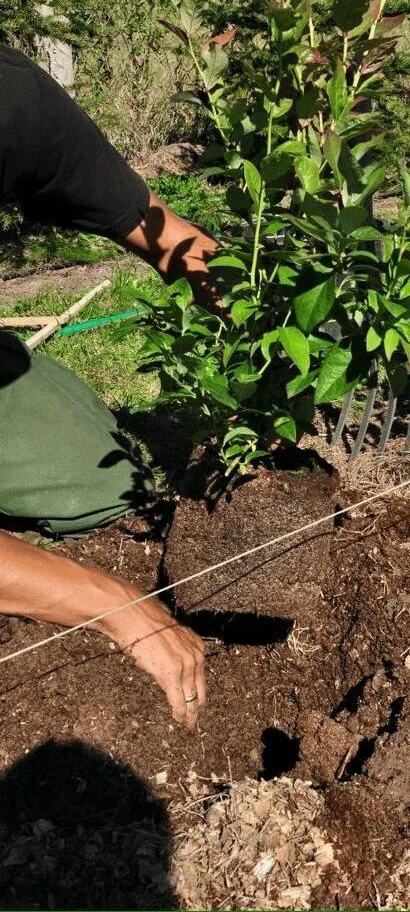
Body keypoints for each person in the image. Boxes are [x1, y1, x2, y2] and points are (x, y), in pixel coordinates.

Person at [0, 43, 220, 728]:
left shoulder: (13, 100)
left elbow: (163, 234)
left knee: (98, 482)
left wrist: (280, 340)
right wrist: (113, 603)